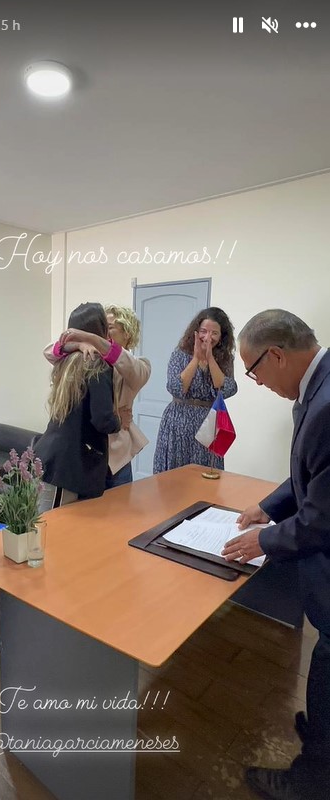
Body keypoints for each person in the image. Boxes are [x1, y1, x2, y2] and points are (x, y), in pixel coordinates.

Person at [222, 309, 330, 800]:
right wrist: (268, 507)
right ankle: (323, 732)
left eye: (254, 371)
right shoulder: (317, 388)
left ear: (277, 355)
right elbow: (310, 475)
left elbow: (321, 518)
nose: (258, 382)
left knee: (328, 658)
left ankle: (312, 777)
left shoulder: (326, 404)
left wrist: (262, 541)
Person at [44, 304, 151, 488]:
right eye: (103, 327)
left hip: (116, 456)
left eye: (110, 328)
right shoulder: (87, 357)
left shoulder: (139, 365)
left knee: (119, 504)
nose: (105, 333)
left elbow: (126, 364)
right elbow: (49, 351)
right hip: (85, 452)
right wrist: (79, 343)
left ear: (127, 333)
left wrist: (91, 338)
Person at [35, 302, 121, 511]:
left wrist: (75, 344)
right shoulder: (97, 364)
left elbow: (52, 351)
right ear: (100, 329)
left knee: (46, 523)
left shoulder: (65, 362)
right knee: (54, 525)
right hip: (69, 466)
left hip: (51, 456)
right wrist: (119, 421)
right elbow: (103, 420)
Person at [153, 307, 238, 473]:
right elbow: (176, 387)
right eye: (203, 331)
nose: (207, 337)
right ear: (196, 332)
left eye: (214, 333)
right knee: (175, 474)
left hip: (209, 422)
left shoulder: (225, 358)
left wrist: (210, 359)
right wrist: (196, 359)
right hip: (178, 419)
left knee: (205, 473)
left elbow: (227, 389)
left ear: (222, 336)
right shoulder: (180, 354)